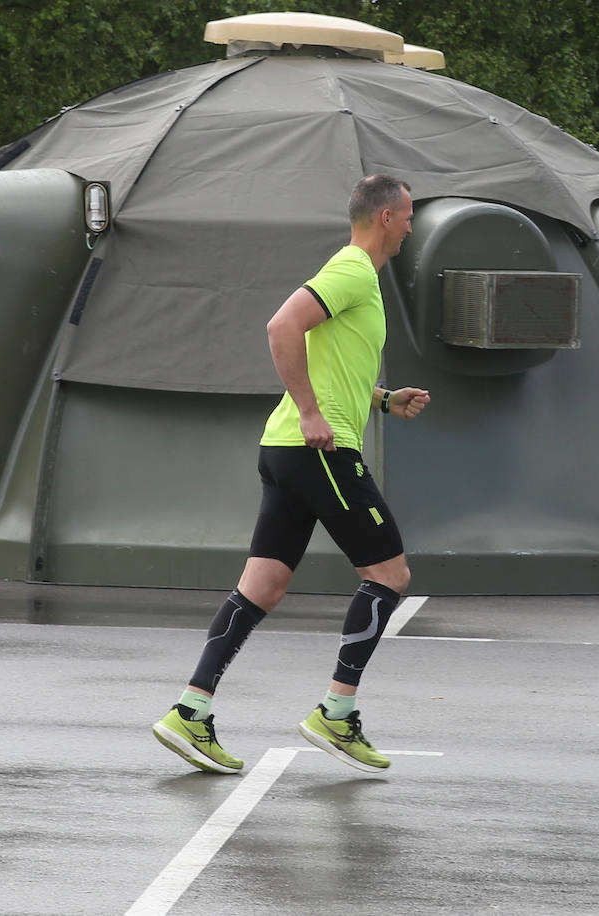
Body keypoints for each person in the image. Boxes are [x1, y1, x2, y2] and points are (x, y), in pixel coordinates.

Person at [152, 174, 430, 774]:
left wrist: (384, 399)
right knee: (390, 574)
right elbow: (282, 327)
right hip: (318, 451)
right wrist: (309, 411)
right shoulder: (354, 270)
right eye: (408, 215)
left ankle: (189, 712)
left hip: (287, 451)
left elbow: (335, 364)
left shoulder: (358, 278)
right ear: (385, 217)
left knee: (263, 586)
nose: (412, 225)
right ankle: (337, 712)